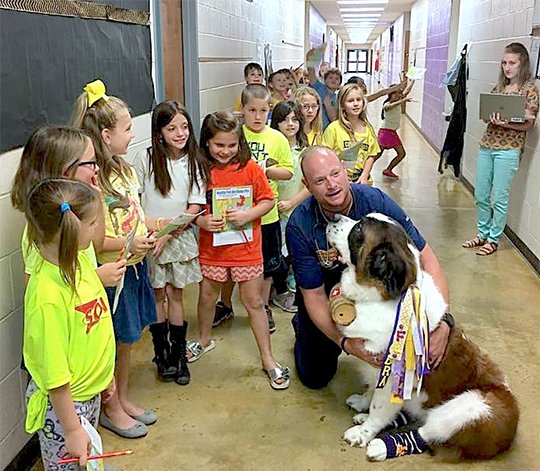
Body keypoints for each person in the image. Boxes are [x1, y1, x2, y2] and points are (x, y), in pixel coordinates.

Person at [285, 146, 452, 390]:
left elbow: (427, 259)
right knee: (315, 377)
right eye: (320, 180)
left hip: (372, 289)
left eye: (335, 173)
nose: (331, 185)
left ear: (345, 170)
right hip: (328, 289)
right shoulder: (300, 225)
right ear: (307, 185)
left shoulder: (375, 202)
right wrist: (346, 343)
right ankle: (304, 327)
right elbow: (313, 295)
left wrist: (442, 322)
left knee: (424, 361)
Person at [71, 79, 156, 438]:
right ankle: (109, 405)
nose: (132, 133)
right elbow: (94, 237)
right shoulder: (91, 182)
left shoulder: (124, 168)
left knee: (127, 339)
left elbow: (134, 213)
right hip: (110, 272)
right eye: (127, 128)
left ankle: (121, 397)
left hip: (132, 267)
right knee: (110, 341)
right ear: (105, 135)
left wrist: (154, 229)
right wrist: (128, 242)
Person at [189, 110, 290, 390]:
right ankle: (204, 339)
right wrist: (202, 221)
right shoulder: (200, 171)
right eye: (219, 145)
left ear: (240, 142)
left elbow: (267, 200)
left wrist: (248, 215)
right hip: (213, 251)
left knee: (254, 302)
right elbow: (192, 209)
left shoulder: (251, 169)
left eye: (231, 145)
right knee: (207, 296)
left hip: (247, 249)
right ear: (207, 142)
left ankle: (268, 359)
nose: (225, 151)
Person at [23, 179, 115, 470]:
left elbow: (93, 326)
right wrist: (73, 429)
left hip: (88, 394)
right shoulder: (47, 297)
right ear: (72, 230)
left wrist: (105, 376)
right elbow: (55, 374)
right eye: (93, 222)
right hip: (64, 408)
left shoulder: (80, 261)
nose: (98, 227)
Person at [134, 101, 209, 385]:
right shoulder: (146, 158)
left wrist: (169, 234)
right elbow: (136, 201)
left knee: (176, 294)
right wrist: (156, 233)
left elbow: (194, 207)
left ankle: (179, 355)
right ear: (159, 132)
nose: (180, 133)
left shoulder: (194, 161)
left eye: (185, 127)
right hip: (151, 238)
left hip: (178, 236)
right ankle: (161, 352)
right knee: (158, 294)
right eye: (171, 128)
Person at [10, 125, 126, 287]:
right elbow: (40, 287)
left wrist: (97, 200)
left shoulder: (77, 211)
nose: (97, 168)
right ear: (66, 172)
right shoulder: (46, 228)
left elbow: (96, 245)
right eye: (91, 163)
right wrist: (95, 279)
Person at [462, 42, 539, 256]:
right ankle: (482, 233)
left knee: (499, 196)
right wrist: (491, 117)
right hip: (488, 144)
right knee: (481, 194)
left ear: (522, 64)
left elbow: (529, 124)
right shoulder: (499, 88)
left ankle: (494, 239)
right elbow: (487, 114)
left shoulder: (530, 90)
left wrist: (507, 124)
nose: (507, 67)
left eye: (512, 63)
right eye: (504, 63)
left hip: (509, 149)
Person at [241, 84, 295, 325]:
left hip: (268, 215)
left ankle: (263, 307)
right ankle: (237, 304)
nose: (257, 116)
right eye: (252, 110)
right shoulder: (236, 134)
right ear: (242, 110)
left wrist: (264, 169)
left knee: (267, 264)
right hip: (238, 211)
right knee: (241, 262)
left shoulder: (277, 138)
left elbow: (288, 172)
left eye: (263, 111)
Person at [270, 100, 310, 294]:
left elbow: (309, 185)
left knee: (296, 247)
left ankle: (293, 277)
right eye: (284, 120)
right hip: (274, 210)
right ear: (276, 123)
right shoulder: (271, 149)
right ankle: (277, 285)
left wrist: (292, 202)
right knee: (277, 250)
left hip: (297, 207)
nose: (290, 124)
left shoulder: (304, 151)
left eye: (295, 119)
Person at [323, 83, 380, 184]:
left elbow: (371, 155)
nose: (356, 104)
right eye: (350, 101)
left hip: (363, 182)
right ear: (342, 105)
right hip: (340, 182)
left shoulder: (368, 128)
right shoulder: (333, 129)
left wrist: (364, 175)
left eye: (358, 100)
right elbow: (326, 157)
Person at [375, 79, 415, 180]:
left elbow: (407, 90)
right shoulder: (387, 104)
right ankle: (363, 169)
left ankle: (388, 170)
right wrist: (403, 100)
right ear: (390, 94)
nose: (399, 95)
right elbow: (389, 107)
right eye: (396, 93)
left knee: (401, 154)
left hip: (392, 133)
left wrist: (412, 81)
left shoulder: (398, 101)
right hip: (385, 133)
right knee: (377, 154)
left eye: (399, 93)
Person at [307, 62, 341, 130]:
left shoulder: (338, 98)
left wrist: (328, 105)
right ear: (325, 80)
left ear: (339, 83)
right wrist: (313, 58)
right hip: (312, 129)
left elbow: (334, 119)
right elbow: (311, 70)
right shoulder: (319, 87)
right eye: (330, 78)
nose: (333, 80)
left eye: (337, 78)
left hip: (327, 130)